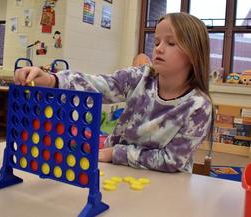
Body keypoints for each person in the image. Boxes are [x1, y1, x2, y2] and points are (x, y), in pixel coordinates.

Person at [14, 12, 212, 173]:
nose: (159, 49)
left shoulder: (198, 106)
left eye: (170, 43)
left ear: (194, 53)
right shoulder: (141, 77)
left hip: (164, 184)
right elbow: (101, 84)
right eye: (157, 41)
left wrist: (115, 154)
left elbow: (171, 160)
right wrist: (51, 79)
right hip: (113, 167)